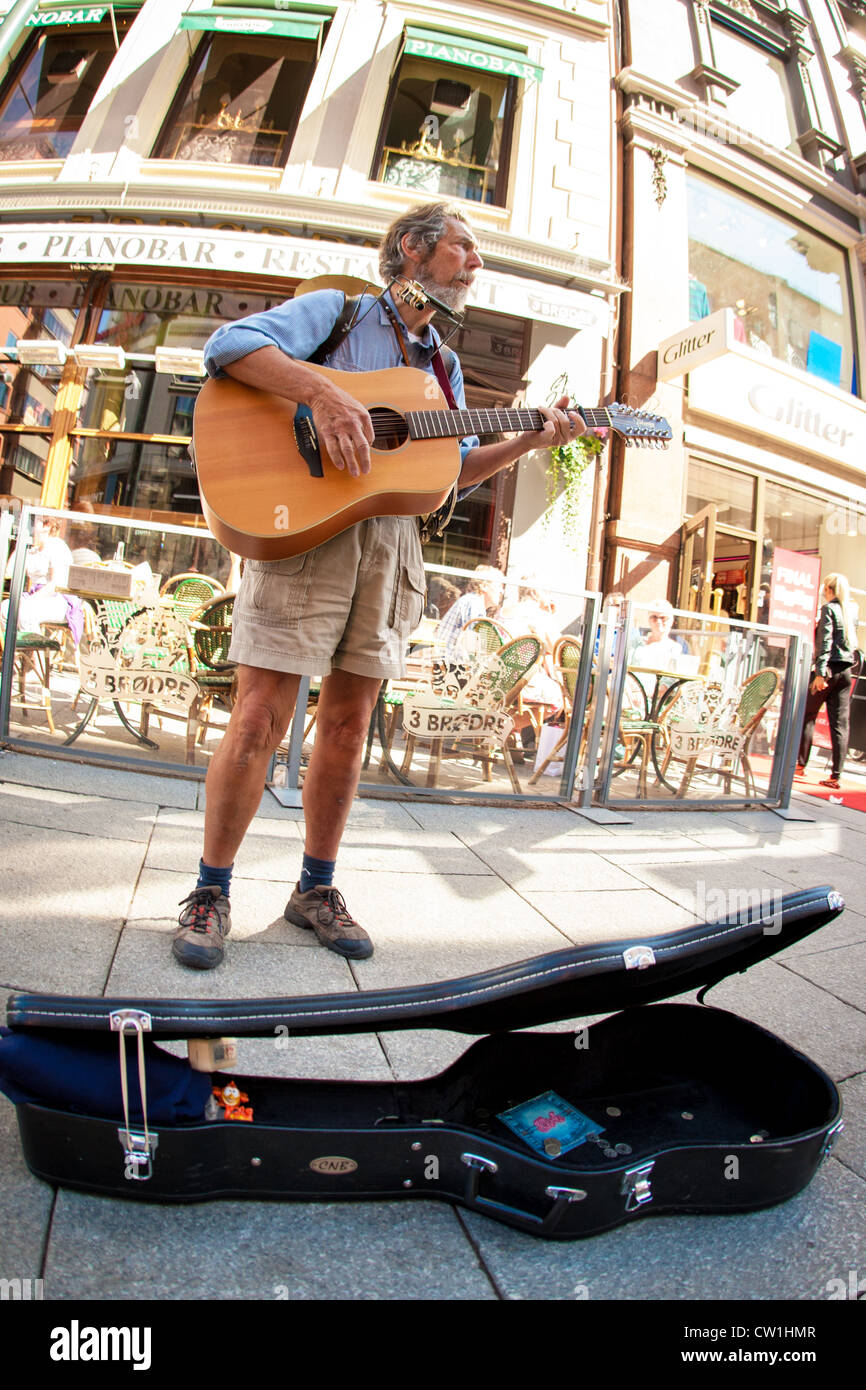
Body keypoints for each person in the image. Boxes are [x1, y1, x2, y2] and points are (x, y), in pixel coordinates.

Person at [173, 200, 585, 970]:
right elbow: (232, 345)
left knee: (350, 726)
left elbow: (447, 471)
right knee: (262, 714)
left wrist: (528, 439)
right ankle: (210, 890)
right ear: (412, 248)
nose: (477, 261)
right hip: (307, 526)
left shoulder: (443, 367)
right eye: (463, 245)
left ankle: (315, 889)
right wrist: (323, 394)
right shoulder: (340, 312)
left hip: (392, 542)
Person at [796, 573, 859, 790]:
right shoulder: (850, 611)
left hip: (828, 670)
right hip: (845, 671)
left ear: (828, 589)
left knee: (808, 715)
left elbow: (826, 642)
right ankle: (836, 774)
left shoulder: (829, 609)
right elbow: (845, 641)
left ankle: (800, 763)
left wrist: (820, 674)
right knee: (840, 725)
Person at [2, 516, 74, 634]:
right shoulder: (35, 549)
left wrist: (30, 600)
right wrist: (21, 544)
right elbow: (8, 571)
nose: (32, 526)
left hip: (56, 599)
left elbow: (55, 584)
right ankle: (12, 649)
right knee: (5, 608)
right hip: (36, 597)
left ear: (47, 526)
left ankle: (32, 650)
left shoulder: (57, 546)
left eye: (35, 523)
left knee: (25, 611)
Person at [435, 564, 506, 659]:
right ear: (484, 586)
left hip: (447, 660)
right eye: (499, 586)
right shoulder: (474, 603)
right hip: (449, 664)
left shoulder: (473, 601)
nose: (502, 591)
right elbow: (471, 648)